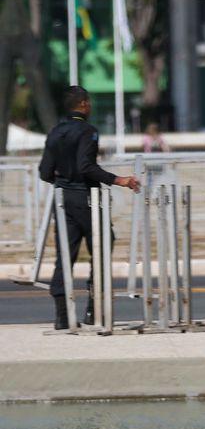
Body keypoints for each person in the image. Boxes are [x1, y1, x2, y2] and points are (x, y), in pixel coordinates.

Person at [38, 86, 141, 329]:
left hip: (62, 199)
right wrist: (120, 180)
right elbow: (86, 167)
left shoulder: (55, 132)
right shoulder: (88, 131)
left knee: (65, 255)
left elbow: (44, 172)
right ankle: (94, 310)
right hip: (86, 199)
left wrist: (64, 181)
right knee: (103, 247)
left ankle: (62, 318)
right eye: (89, 103)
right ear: (83, 104)